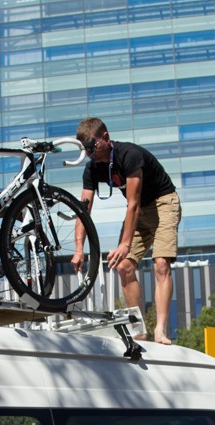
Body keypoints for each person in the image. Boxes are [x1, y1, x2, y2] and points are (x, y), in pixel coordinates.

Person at [72, 118, 181, 345]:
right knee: (124, 266)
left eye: (93, 146)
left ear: (106, 137)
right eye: (86, 150)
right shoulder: (92, 168)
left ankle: (160, 330)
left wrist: (124, 244)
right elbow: (84, 209)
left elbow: (133, 203)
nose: (91, 153)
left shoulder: (129, 156)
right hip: (139, 214)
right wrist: (79, 248)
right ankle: (139, 329)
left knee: (161, 263)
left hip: (163, 203)